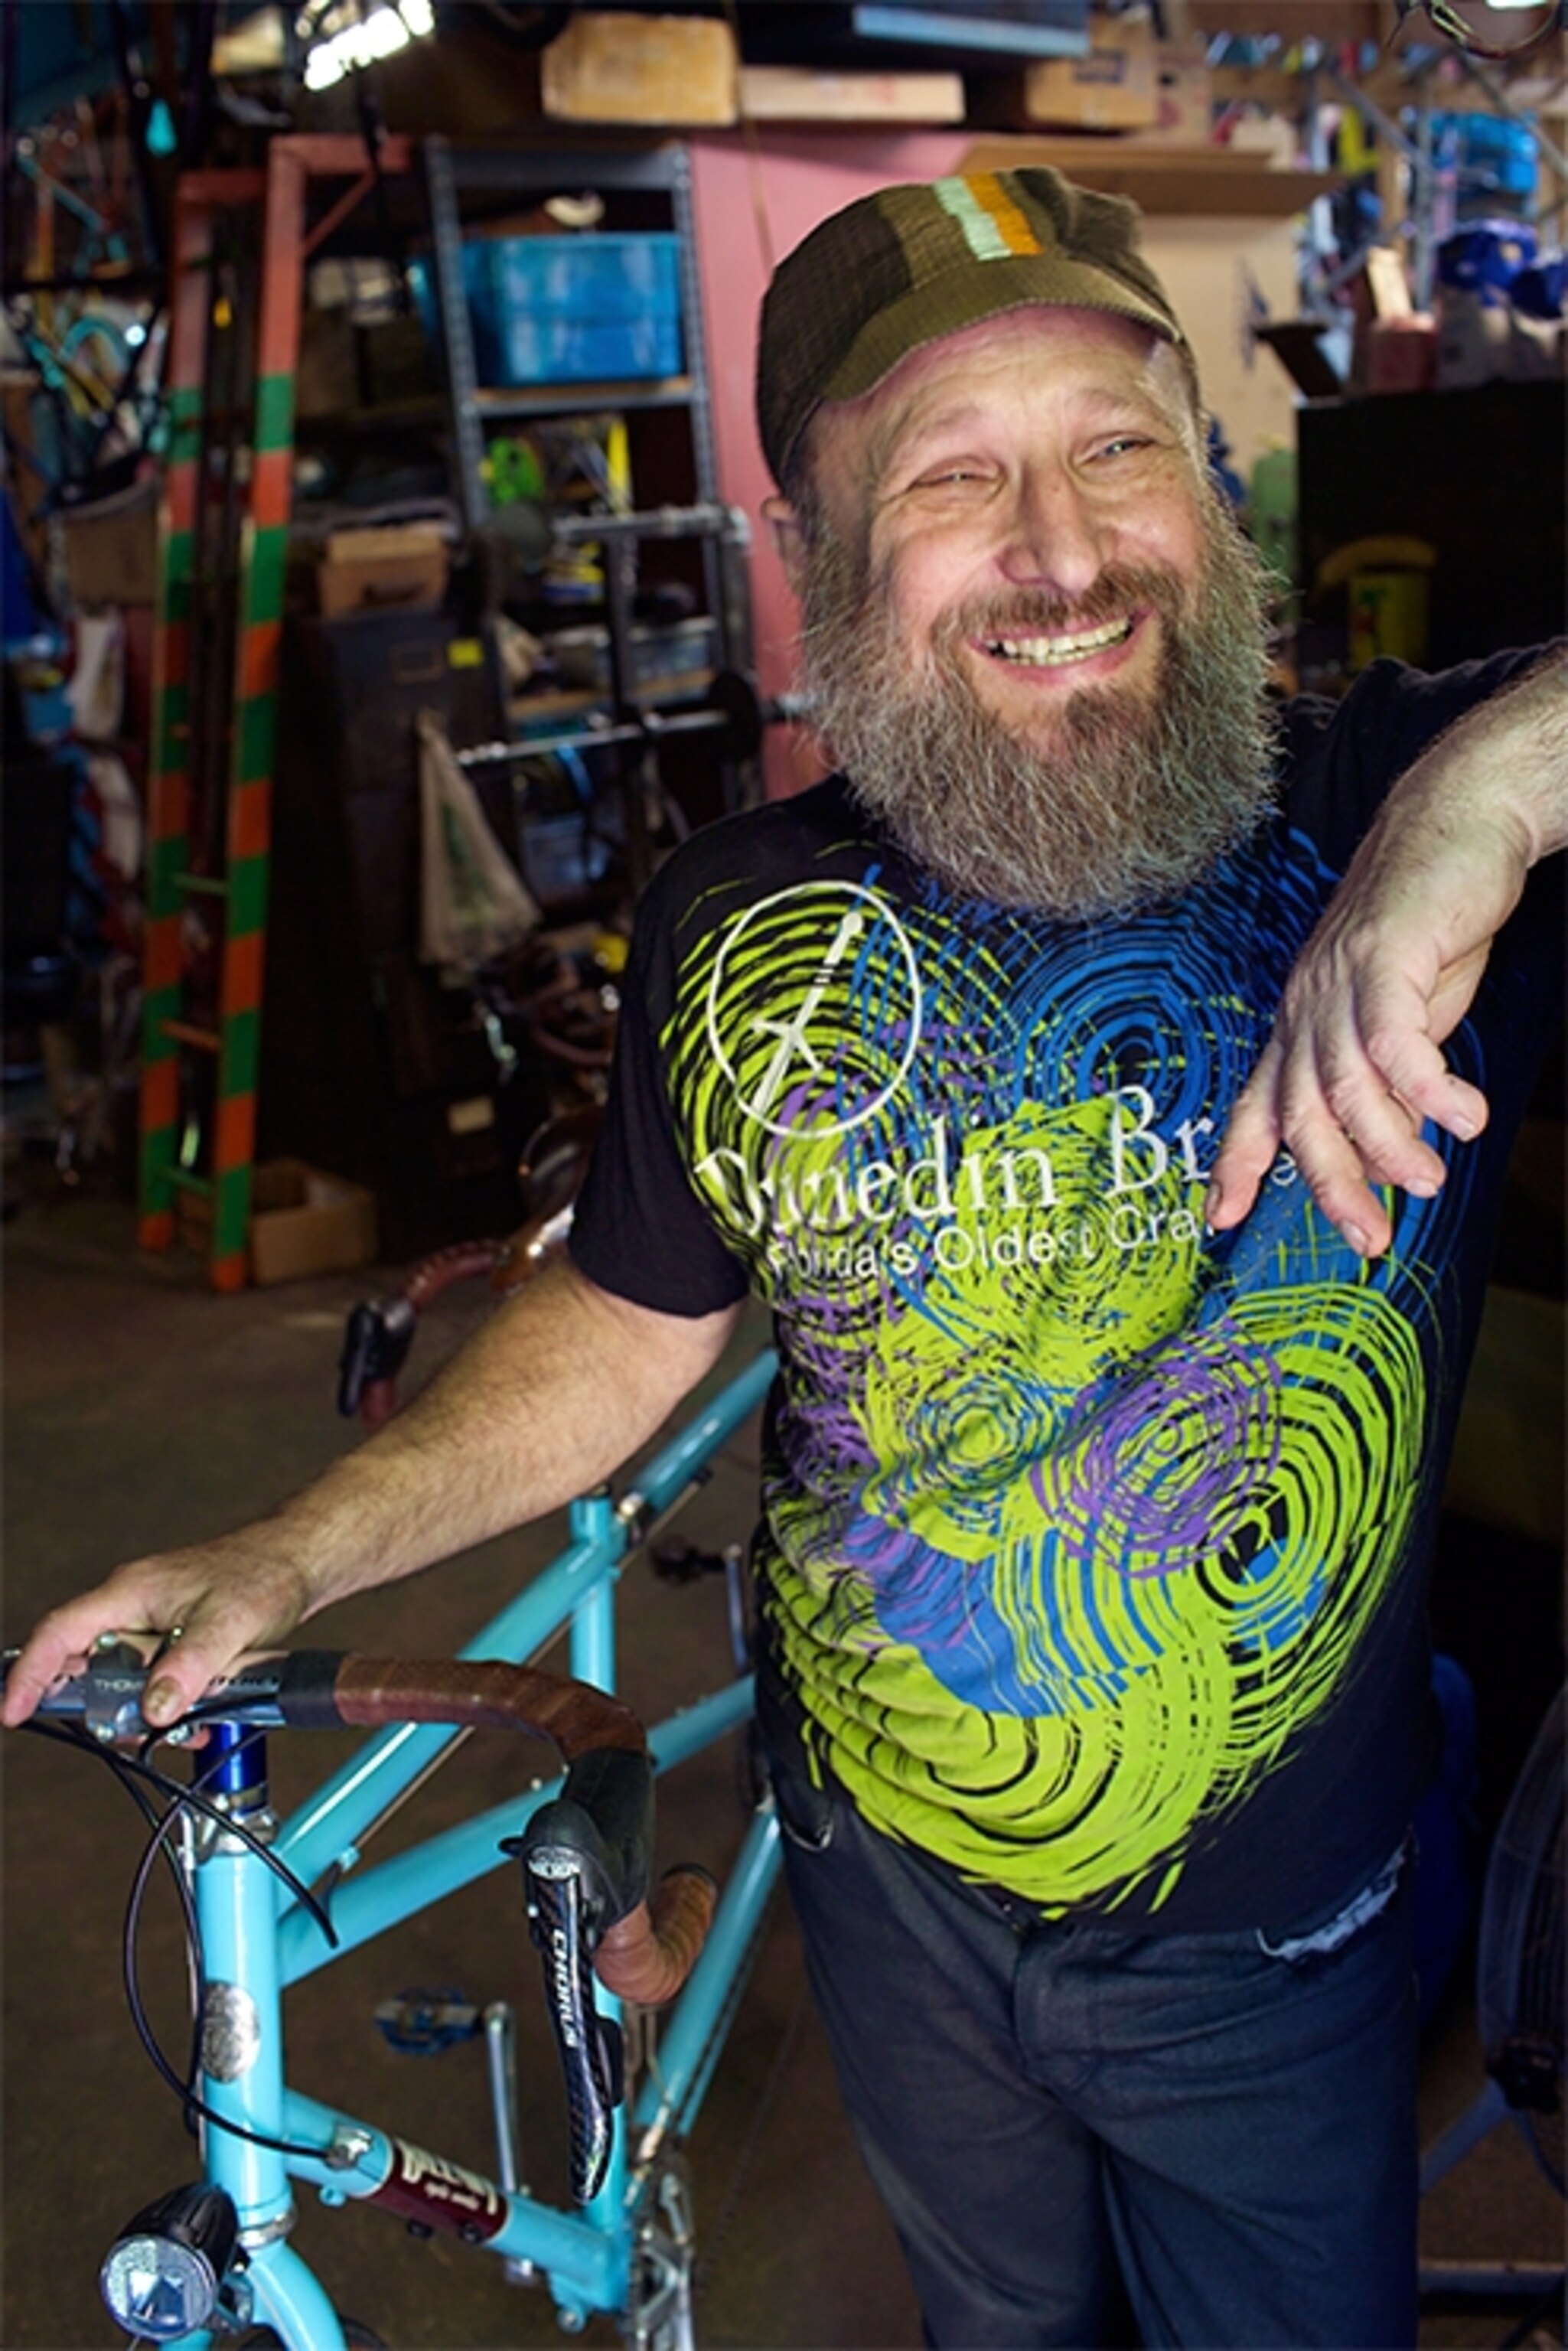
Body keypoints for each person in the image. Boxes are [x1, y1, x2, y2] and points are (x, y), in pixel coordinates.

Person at [5, 166, 1563, 2347]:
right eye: (952, 477)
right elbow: (636, 1318)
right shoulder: (741, 912)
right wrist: (301, 1546)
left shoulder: (1391, 803)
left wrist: (1484, 807)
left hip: (1267, 1937)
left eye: (1113, 444)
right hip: (883, 1886)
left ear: (1209, 490)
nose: (1056, 547)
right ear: (814, 560)